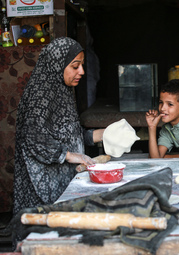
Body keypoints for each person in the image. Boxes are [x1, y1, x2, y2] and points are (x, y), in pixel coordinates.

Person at [13, 37, 104, 215]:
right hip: (39, 186)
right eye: (75, 66)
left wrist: (100, 135)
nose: (82, 71)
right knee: (41, 233)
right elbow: (34, 137)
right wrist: (69, 155)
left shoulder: (62, 90)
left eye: (82, 65)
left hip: (61, 182)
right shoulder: (40, 94)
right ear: (57, 64)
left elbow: (66, 134)